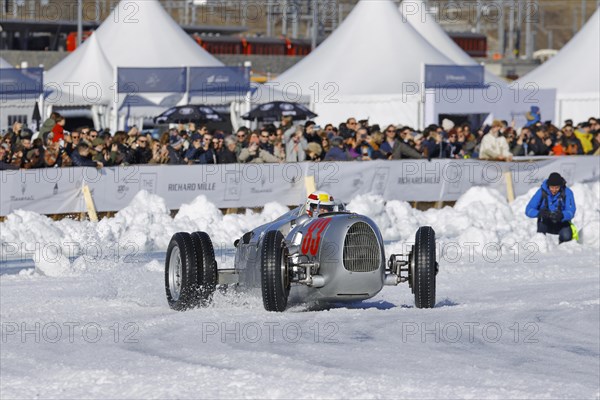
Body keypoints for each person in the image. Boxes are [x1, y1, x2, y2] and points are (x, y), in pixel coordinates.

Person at [525, 172, 576, 243]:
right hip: (545, 221)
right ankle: (542, 247)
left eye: (557, 187)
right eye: (552, 187)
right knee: (540, 237)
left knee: (567, 237)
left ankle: (562, 247)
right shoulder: (541, 192)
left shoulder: (567, 192)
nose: (554, 190)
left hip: (561, 221)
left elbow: (571, 211)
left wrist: (562, 215)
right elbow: (528, 209)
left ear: (560, 186)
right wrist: (539, 213)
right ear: (548, 185)